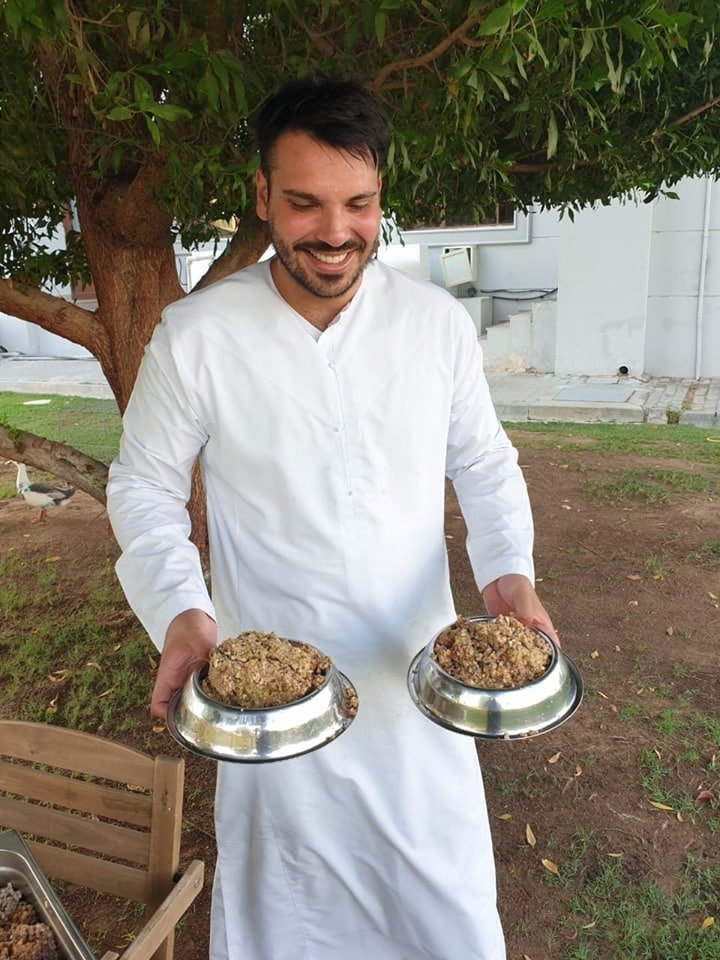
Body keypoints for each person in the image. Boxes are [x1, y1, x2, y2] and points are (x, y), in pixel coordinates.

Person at [106, 77, 557, 960]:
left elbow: (482, 460)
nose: (336, 231)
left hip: (419, 694)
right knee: (290, 921)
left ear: (381, 196)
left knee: (446, 918)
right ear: (262, 195)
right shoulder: (196, 335)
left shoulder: (434, 325)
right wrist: (181, 612)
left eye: (358, 204)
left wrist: (508, 572)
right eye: (305, 203)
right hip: (278, 702)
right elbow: (144, 487)